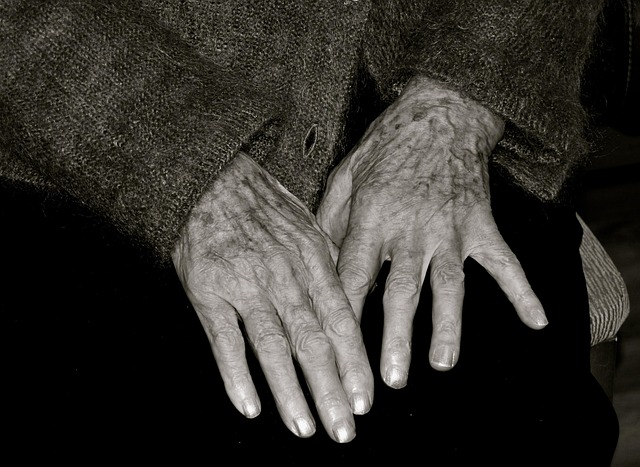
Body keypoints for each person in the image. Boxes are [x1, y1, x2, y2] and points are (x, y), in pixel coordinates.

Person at [1, 0, 619, 464]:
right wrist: (178, 159)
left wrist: (457, 107)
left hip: (431, 83)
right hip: (92, 108)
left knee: (513, 418)